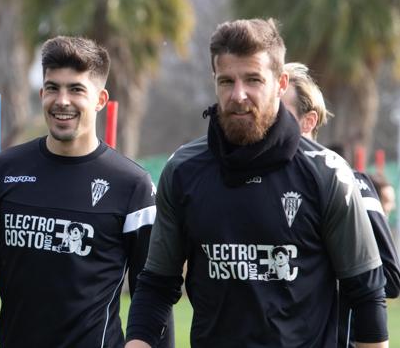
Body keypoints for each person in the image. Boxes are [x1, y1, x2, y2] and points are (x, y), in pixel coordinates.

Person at [125, 18, 389, 348]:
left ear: (280, 83)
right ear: (214, 81)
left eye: (253, 80)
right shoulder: (182, 170)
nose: (239, 95)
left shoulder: (327, 174)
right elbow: (157, 285)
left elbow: (365, 294)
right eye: (227, 81)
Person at [0, 36, 173, 348]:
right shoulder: (2, 172)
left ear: (100, 100)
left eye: (76, 89)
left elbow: (152, 291)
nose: (62, 100)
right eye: (53, 87)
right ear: (41, 94)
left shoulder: (131, 185)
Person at [282, 62, 400, 348]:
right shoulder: (258, 185)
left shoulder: (349, 181)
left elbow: (390, 278)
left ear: (308, 121)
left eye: (280, 113)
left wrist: (326, 269)